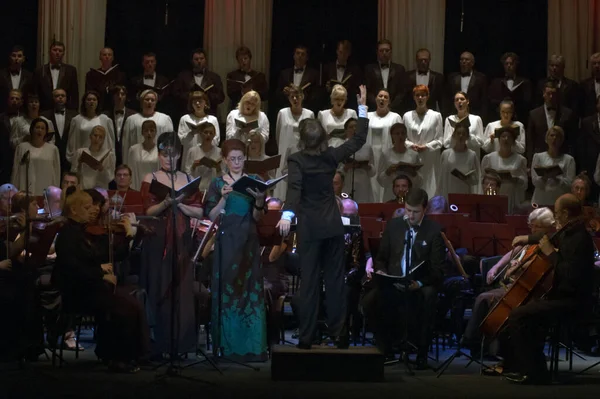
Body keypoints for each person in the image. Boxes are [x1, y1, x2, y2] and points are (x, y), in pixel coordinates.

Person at [277, 85, 369, 349]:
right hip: (331, 227)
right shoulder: (331, 156)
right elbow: (358, 140)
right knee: (335, 282)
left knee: (309, 285)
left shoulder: (296, 160)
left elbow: (294, 190)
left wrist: (286, 213)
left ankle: (306, 338)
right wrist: (361, 107)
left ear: (303, 140)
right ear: (323, 139)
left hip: (310, 229)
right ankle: (340, 336)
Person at [53, 189, 149, 373]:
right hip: (77, 291)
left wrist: (131, 236)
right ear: (74, 210)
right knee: (123, 307)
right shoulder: (67, 234)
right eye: (87, 207)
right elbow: (71, 267)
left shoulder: (87, 232)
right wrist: (100, 273)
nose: (93, 210)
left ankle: (126, 355)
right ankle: (118, 357)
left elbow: (114, 255)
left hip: (93, 288)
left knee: (130, 303)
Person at [502, 194, 595, 384]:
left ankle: (535, 373)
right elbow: (549, 236)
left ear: (566, 213)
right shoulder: (569, 232)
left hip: (573, 301)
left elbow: (571, 275)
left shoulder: (581, 240)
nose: (555, 217)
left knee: (519, 315)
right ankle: (529, 367)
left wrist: (550, 253)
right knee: (528, 314)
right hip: (559, 297)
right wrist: (526, 238)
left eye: (558, 212)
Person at [364, 188, 444, 368]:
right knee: (370, 301)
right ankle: (386, 349)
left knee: (428, 296)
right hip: (394, 280)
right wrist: (382, 271)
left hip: (419, 282)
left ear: (425, 210)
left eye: (415, 212)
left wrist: (421, 282)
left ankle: (422, 351)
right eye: (408, 210)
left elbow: (438, 269)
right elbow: (382, 258)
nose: (411, 215)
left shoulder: (434, 231)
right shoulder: (394, 225)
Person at [140, 132, 204, 356]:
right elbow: (147, 211)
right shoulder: (151, 178)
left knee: (182, 290)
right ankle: (160, 344)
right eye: (164, 154)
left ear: (178, 155)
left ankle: (182, 344)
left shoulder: (187, 179)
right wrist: (167, 202)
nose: (169, 158)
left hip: (182, 238)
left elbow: (199, 210)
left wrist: (181, 206)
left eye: (173, 154)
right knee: (160, 287)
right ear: (159, 156)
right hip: (158, 239)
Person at [204, 138, 268, 361]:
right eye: (232, 159)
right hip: (226, 241)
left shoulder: (255, 181)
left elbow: (258, 217)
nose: (237, 162)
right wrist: (223, 198)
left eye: (240, 158)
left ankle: (251, 347)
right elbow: (211, 216)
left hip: (248, 242)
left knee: (248, 291)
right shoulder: (217, 183)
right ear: (224, 160)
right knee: (227, 290)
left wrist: (259, 201)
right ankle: (227, 346)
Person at [461, 207, 555, 357]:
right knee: (484, 297)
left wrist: (520, 266)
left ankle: (470, 341)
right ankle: (481, 344)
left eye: (538, 226)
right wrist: (496, 267)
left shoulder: (547, 246)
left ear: (549, 227)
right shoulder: (529, 242)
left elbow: (541, 267)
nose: (533, 229)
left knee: (484, 298)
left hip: (526, 292)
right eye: (532, 225)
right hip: (511, 286)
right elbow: (512, 252)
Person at [273, 85, 314, 200]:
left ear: (303, 96)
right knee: (283, 182)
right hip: (285, 153)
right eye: (292, 97)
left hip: (303, 154)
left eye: (298, 96)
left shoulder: (309, 114)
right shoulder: (282, 113)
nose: (295, 99)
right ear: (289, 99)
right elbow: (278, 133)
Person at [403, 85, 443, 199]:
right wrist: (411, 145)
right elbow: (403, 138)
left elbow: (440, 140)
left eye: (423, 95)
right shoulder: (407, 116)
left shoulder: (436, 116)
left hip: (430, 158)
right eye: (417, 95)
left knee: (430, 186)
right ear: (414, 97)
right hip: (412, 157)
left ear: (427, 97)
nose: (420, 98)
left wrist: (427, 146)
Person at [481, 125, 528, 213]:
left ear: (513, 141)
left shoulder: (520, 159)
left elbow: (525, 183)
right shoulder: (489, 158)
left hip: (512, 197)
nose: (506, 139)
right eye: (503, 136)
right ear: (499, 140)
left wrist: (515, 179)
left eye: (509, 137)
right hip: (494, 197)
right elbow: (482, 179)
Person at [526, 81, 575, 165]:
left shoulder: (567, 114)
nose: (551, 97)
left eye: (554, 94)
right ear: (543, 94)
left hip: (562, 159)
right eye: (548, 94)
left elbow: (571, 140)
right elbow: (530, 140)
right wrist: (530, 162)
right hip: (540, 159)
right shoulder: (534, 114)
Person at [367, 89, 403, 201]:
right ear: (376, 99)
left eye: (386, 97)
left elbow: (400, 137)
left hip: (387, 155)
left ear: (389, 101)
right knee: (371, 181)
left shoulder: (395, 117)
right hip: (371, 155)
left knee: (385, 180)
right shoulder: (368, 116)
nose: (382, 99)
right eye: (380, 96)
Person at [121, 89, 173, 164]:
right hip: (137, 162)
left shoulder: (164, 119)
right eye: (147, 99)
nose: (149, 102)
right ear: (141, 102)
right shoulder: (131, 120)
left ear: (156, 103)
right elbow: (126, 145)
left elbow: (170, 143)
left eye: (152, 100)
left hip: (158, 162)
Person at [12, 118, 60, 195]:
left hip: (45, 191)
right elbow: (16, 171)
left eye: (42, 128)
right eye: (37, 127)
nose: (40, 130)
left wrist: (55, 192)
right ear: (32, 129)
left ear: (46, 132)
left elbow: (56, 173)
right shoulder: (21, 147)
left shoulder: (53, 149)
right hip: (25, 192)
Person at [65, 91, 115, 165]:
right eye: (89, 99)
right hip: (83, 160)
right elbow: (72, 142)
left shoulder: (105, 120)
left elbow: (110, 144)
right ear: (84, 102)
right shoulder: (77, 120)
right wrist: (74, 159)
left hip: (100, 161)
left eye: (94, 99)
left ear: (98, 102)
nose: (91, 102)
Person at [531, 126, 575, 206]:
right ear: (546, 139)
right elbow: (535, 181)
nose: (554, 138)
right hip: (540, 200)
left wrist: (556, 179)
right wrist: (545, 177)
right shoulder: (538, 157)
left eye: (557, 136)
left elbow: (570, 184)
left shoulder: (569, 160)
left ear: (561, 140)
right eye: (551, 135)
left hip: (560, 201)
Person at [173, 48, 224, 117]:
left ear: (205, 60)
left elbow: (221, 97)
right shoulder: (182, 76)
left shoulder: (214, 77)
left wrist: (206, 95)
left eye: (201, 58)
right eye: (196, 59)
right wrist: (191, 95)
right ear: (191, 61)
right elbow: (176, 95)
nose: (199, 61)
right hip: (188, 114)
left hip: (209, 114)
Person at [377, 123, 421, 201]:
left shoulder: (414, 154)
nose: (400, 136)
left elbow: (420, 181)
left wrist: (413, 173)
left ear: (406, 135)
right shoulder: (385, 154)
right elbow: (380, 180)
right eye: (397, 134)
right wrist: (388, 172)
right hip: (390, 194)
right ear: (392, 136)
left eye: (403, 133)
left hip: (409, 194)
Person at [178, 90, 220, 168]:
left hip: (208, 156)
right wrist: (191, 133)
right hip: (189, 156)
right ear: (191, 104)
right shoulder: (185, 119)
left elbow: (216, 141)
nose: (197, 103)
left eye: (200, 101)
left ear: (205, 103)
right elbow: (181, 141)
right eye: (194, 102)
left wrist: (205, 134)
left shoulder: (212, 119)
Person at [33, 40, 79, 110]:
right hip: (44, 110)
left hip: (65, 110)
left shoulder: (71, 70)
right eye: (55, 50)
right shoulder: (39, 71)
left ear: (63, 53)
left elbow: (74, 94)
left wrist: (73, 112)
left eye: (60, 51)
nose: (57, 53)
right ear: (49, 52)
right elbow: (36, 93)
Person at [488, 52, 532, 125]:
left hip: (519, 118)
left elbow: (528, 101)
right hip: (500, 118)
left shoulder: (525, 82)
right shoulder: (496, 82)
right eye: (506, 64)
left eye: (511, 64)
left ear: (516, 65)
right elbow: (491, 101)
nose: (509, 66)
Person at [41, 88, 78, 173]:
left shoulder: (75, 115)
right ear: (52, 98)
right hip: (49, 154)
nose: (60, 97)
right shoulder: (44, 115)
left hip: (69, 155)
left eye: (63, 96)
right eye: (57, 96)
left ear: (66, 98)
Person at [439, 125, 482, 198]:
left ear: (467, 137)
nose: (461, 136)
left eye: (464, 134)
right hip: (449, 192)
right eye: (458, 133)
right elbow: (441, 178)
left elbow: (477, 179)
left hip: (465, 193)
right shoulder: (446, 154)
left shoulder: (472, 155)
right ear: (454, 135)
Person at [364, 39, 407, 113]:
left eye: (387, 50)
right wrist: (379, 105)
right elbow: (368, 91)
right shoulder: (369, 69)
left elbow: (401, 92)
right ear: (377, 52)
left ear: (391, 52)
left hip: (395, 110)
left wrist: (391, 106)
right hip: (375, 110)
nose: (384, 53)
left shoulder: (399, 69)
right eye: (381, 50)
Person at [445, 51, 488, 120]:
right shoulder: (452, 77)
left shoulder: (480, 78)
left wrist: (483, 119)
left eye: (467, 60)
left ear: (472, 63)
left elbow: (484, 101)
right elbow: (447, 99)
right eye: (461, 59)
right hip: (455, 115)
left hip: (474, 116)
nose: (463, 61)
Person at [340, 118, 375, 203]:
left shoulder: (367, 147)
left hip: (363, 183)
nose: (354, 129)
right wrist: (346, 168)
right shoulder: (341, 147)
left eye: (356, 127)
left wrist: (367, 167)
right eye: (351, 127)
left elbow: (373, 171)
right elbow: (336, 171)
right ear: (346, 131)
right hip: (347, 183)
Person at [276, 45, 320, 112]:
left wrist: (301, 95)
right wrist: (284, 92)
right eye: (297, 53)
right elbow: (277, 94)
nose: (300, 56)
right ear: (294, 56)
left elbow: (316, 96)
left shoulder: (314, 74)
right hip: (287, 110)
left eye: (303, 54)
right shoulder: (284, 73)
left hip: (306, 110)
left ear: (307, 58)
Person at [71, 125, 116, 189]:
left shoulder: (108, 155)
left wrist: (102, 169)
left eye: (100, 137)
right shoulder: (80, 152)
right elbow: (73, 173)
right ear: (90, 136)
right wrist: (79, 164)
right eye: (95, 135)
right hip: (83, 188)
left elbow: (110, 178)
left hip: (100, 189)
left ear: (103, 140)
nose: (97, 139)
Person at [443, 91, 485, 158]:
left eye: (462, 99)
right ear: (454, 104)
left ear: (467, 101)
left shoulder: (476, 119)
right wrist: (454, 135)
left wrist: (468, 135)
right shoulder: (449, 119)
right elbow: (446, 144)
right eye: (457, 100)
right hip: (454, 157)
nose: (459, 101)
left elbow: (481, 143)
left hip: (471, 157)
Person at [226, 46, 268, 111]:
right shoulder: (232, 75)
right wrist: (242, 92)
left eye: (245, 58)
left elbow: (265, 95)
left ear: (250, 59)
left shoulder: (259, 76)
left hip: (255, 109)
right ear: (237, 61)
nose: (243, 61)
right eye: (240, 59)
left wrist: (252, 91)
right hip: (237, 108)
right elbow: (230, 94)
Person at [102, 85, 135, 166]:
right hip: (109, 155)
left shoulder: (134, 115)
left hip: (127, 154)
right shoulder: (104, 115)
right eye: (117, 94)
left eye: (122, 94)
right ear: (113, 97)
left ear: (126, 97)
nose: (120, 97)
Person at [184, 122, 222, 192]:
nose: (208, 135)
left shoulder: (220, 152)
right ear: (200, 133)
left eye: (211, 133)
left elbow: (224, 175)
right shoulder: (192, 151)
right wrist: (194, 166)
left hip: (213, 190)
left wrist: (218, 168)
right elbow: (187, 173)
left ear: (214, 135)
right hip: (197, 189)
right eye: (206, 132)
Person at [404, 48, 444, 113]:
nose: (423, 62)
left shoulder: (438, 77)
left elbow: (441, 100)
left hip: (431, 115)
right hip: (412, 114)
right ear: (416, 60)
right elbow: (404, 99)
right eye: (420, 60)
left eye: (425, 60)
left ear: (430, 60)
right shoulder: (407, 76)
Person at [577, 94, 600, 202]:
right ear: (597, 104)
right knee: (590, 198)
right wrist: (582, 167)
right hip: (590, 164)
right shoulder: (587, 122)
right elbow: (582, 145)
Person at [128, 120, 159, 191]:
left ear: (155, 132)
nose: (149, 133)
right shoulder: (134, 150)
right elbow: (130, 170)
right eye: (146, 131)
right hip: (137, 187)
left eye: (152, 130)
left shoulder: (160, 151)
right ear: (142, 132)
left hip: (155, 189)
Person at [0, 45, 32, 113]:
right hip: (3, 113)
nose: (16, 58)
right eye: (14, 55)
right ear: (9, 57)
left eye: (19, 56)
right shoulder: (1, 75)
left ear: (23, 59)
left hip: (23, 113)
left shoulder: (29, 76)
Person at [580, 52, 600, 118]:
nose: (597, 66)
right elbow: (581, 107)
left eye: (599, 63)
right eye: (594, 64)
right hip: (589, 123)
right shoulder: (584, 84)